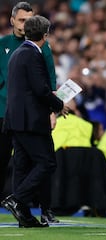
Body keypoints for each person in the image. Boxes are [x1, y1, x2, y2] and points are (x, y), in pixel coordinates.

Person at [1, 15, 69, 227]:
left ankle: (25, 217)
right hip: (31, 121)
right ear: (46, 35)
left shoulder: (17, 54)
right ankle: (17, 199)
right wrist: (59, 105)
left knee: (22, 165)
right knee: (47, 162)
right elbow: (40, 89)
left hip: (16, 120)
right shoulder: (32, 54)